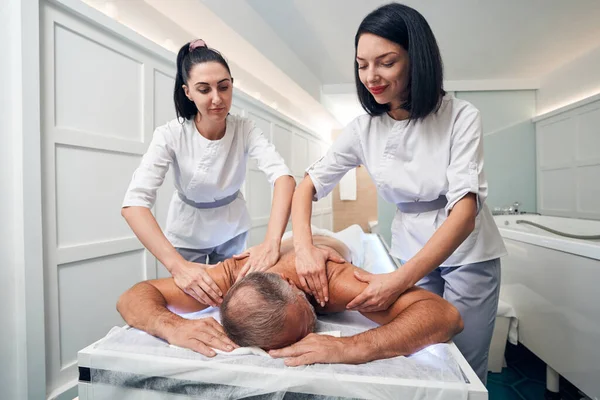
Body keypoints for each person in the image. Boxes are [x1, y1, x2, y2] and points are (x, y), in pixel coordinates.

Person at [290, 3, 506, 383]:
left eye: (386, 62)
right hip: (409, 243)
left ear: (416, 58)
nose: (371, 76)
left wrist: (400, 279)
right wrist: (304, 249)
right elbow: (306, 185)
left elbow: (464, 212)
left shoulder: (461, 116)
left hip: (467, 251)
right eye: (361, 65)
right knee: (421, 358)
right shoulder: (362, 129)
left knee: (465, 370)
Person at [121, 39, 295, 308]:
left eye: (224, 87)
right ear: (188, 92)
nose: (217, 98)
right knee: (190, 305)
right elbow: (134, 205)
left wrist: (272, 242)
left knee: (234, 303)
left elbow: (283, 178)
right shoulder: (171, 135)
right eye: (204, 89)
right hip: (187, 232)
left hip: (232, 228)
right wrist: (178, 266)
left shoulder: (245, 128)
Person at [117, 233, 464, 366]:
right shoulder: (225, 279)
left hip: (334, 242)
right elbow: (133, 296)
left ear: (291, 284)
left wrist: (353, 347)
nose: (313, 328)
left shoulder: (328, 281)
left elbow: (445, 315)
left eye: (307, 320)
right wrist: (172, 325)